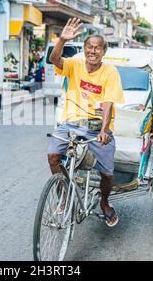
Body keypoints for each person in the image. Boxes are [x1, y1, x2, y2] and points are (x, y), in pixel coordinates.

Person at [48, 18, 124, 227]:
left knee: (107, 173)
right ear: (84, 49)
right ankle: (65, 194)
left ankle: (105, 202)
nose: (92, 51)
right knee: (53, 156)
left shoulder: (110, 72)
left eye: (97, 48)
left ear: (103, 52)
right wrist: (62, 40)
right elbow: (55, 59)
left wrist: (104, 130)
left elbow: (108, 103)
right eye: (89, 47)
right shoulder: (74, 65)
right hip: (71, 123)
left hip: (96, 127)